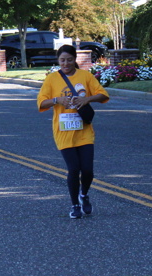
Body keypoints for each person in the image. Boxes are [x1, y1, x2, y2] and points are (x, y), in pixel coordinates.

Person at [37, 45, 109, 219]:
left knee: (88, 170)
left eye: (69, 60)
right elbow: (41, 103)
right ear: (58, 60)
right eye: (62, 60)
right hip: (63, 132)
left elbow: (103, 95)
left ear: (75, 59)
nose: (66, 63)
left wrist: (86, 99)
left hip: (84, 131)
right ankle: (75, 204)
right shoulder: (52, 79)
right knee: (74, 169)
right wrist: (57, 100)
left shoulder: (85, 76)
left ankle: (84, 194)